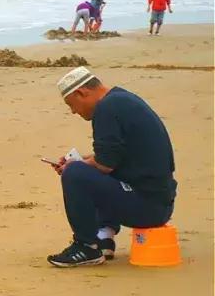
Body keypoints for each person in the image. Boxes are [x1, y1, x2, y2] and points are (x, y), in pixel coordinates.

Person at [45, 67, 177, 267]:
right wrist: (83, 161)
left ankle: (86, 247)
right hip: (159, 201)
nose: (73, 111)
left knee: (75, 174)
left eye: (71, 105)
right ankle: (104, 237)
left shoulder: (106, 108)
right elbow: (116, 156)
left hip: (147, 206)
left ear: (82, 93)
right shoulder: (121, 99)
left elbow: (105, 164)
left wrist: (74, 166)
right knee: (83, 170)